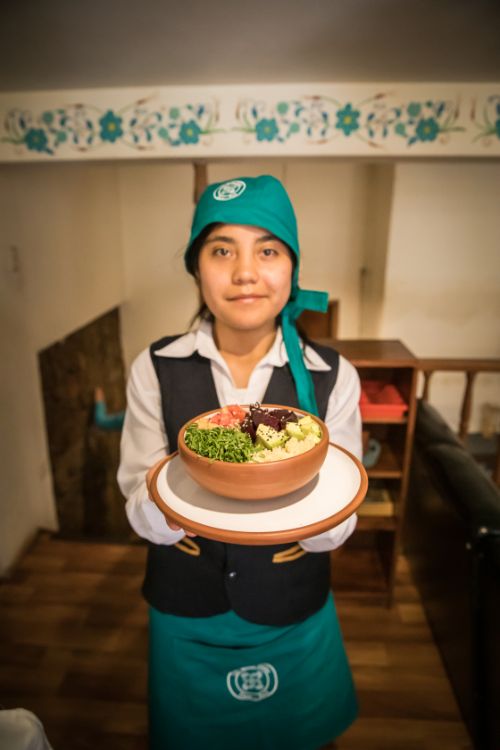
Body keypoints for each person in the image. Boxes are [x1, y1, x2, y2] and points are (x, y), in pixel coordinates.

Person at [117, 175, 362, 750]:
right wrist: (194, 483)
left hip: (292, 607)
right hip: (186, 606)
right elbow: (137, 501)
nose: (245, 272)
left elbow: (341, 519)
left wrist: (310, 507)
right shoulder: (155, 367)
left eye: (268, 250)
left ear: (292, 270)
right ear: (196, 267)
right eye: (221, 250)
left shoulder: (334, 376)